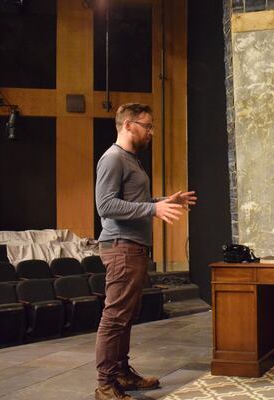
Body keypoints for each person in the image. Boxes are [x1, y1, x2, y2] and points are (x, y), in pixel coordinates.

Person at [94, 103, 197, 400]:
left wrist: (164, 200)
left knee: (125, 316)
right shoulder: (113, 159)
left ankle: (122, 373)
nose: (151, 131)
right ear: (128, 125)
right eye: (147, 125)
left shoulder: (130, 159)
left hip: (132, 247)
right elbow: (106, 205)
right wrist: (153, 208)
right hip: (120, 246)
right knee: (114, 317)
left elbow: (131, 201)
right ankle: (105, 384)